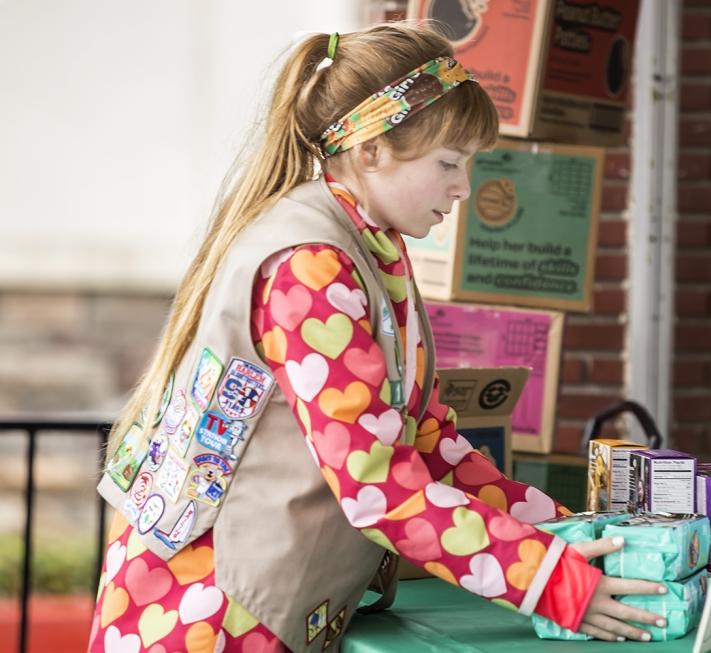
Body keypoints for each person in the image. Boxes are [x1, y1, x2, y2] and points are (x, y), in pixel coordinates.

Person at [89, 22, 669, 653]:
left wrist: (575, 533)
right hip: (209, 617)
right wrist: (549, 580)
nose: (464, 187)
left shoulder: (367, 244)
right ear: (370, 151)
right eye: (448, 162)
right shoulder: (314, 266)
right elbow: (379, 486)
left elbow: (429, 446)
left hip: (232, 602)